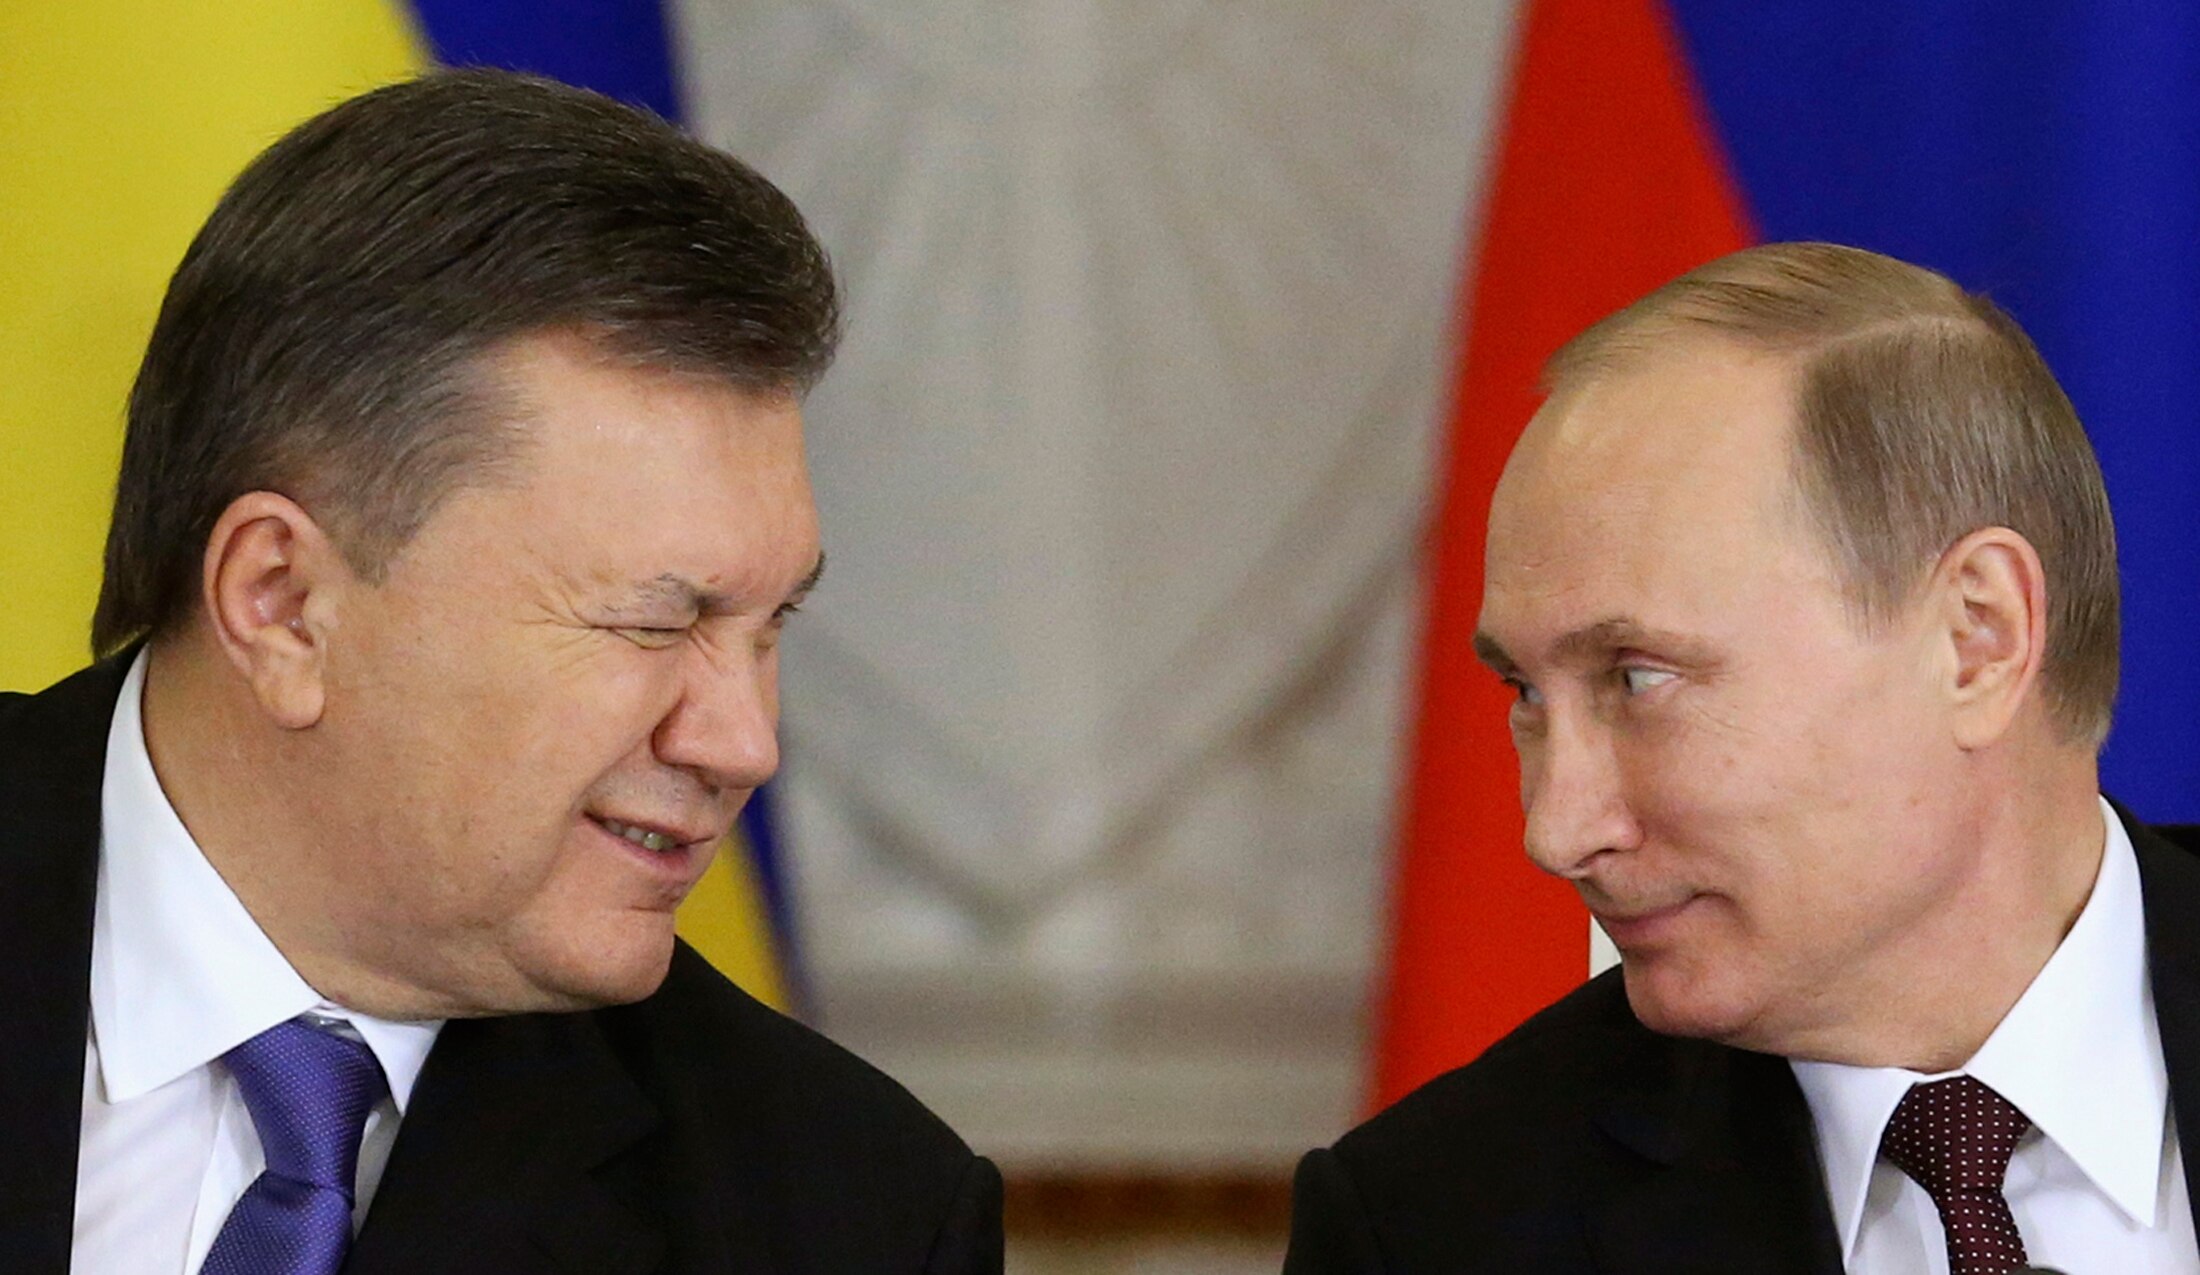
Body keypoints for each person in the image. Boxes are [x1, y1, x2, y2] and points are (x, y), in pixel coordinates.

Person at [0, 70, 1000, 1275]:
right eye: (654, 623)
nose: (744, 743)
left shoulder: (846, 1219)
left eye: (768, 622)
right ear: (283, 604)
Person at [1284, 243, 2200, 1273]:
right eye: (1524, 693)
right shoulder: (1433, 1232)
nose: (1556, 830)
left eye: (1638, 678)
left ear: (1975, 639)